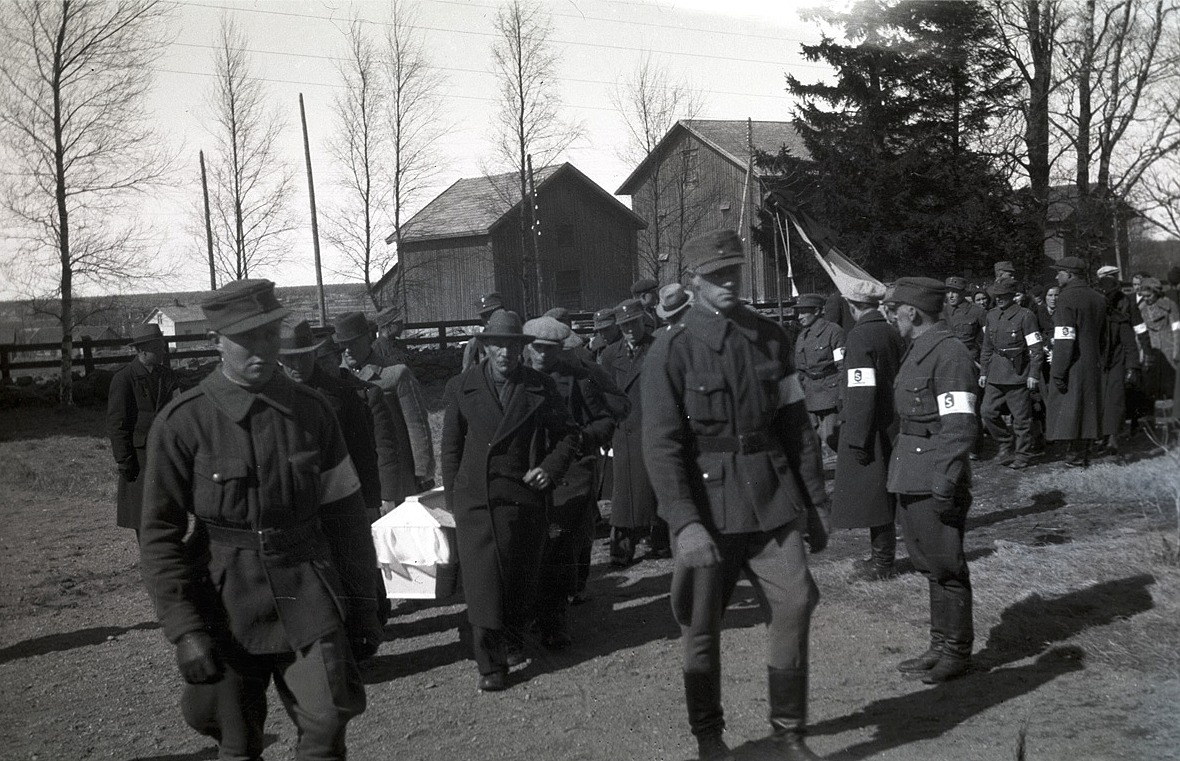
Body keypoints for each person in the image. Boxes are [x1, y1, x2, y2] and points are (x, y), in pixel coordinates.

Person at [139, 279, 381, 760]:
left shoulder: (312, 412)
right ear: (216, 342)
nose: (263, 349)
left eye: (269, 334)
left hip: (307, 589)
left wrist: (365, 604)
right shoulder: (183, 421)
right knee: (238, 739)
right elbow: (160, 536)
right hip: (226, 600)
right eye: (246, 338)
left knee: (329, 721)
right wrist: (185, 630)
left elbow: (347, 519)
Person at [643, 229, 830, 761]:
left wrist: (815, 504)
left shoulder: (770, 338)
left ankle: (789, 733)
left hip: (772, 497)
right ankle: (709, 737)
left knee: (795, 603)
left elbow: (796, 426)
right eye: (715, 274)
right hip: (709, 509)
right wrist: (685, 523)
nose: (727, 282)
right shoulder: (671, 349)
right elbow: (661, 445)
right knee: (700, 625)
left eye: (733, 272)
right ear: (694, 281)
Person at [440, 310, 578, 691]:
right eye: (497, 344)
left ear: (523, 348)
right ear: (484, 346)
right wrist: (454, 500)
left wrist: (549, 468)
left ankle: (513, 637)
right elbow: (450, 448)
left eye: (513, 345)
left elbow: (568, 435)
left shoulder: (540, 387)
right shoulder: (462, 385)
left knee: (518, 580)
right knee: (482, 585)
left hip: (523, 500)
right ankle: (491, 665)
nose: (505, 353)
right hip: (476, 501)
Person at [886, 277, 978, 685]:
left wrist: (946, 482)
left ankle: (956, 651)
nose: (891, 317)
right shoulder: (920, 349)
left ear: (912, 312)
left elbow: (959, 428)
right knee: (929, 565)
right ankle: (940, 644)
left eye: (894, 310)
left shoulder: (950, 354)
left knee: (947, 566)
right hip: (911, 470)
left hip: (935, 474)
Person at [523, 316, 618, 648]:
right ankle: (532, 611)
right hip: (529, 470)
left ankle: (554, 618)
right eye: (537, 348)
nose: (543, 356)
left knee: (561, 542)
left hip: (572, 472)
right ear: (526, 347)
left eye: (551, 350)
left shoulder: (579, 378)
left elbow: (607, 419)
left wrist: (580, 440)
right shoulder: (516, 379)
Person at [279, 318, 416, 512]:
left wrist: (372, 502)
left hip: (339, 500)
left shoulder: (345, 395)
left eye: (303, 357)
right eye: (289, 359)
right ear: (278, 359)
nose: (297, 366)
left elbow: (365, 453)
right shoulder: (271, 397)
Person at [831, 281, 905, 582]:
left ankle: (882, 562)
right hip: (892, 421)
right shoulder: (891, 331)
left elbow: (861, 392)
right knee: (886, 494)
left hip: (870, 426)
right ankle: (882, 558)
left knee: (875, 497)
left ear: (852, 306)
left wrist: (857, 437)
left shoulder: (859, 336)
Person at [334, 311, 435, 490]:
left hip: (396, 470)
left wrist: (422, 471)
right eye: (343, 345)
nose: (347, 350)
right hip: (356, 473)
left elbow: (416, 424)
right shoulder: (337, 378)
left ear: (368, 339)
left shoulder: (395, 374)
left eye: (353, 342)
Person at [601, 298, 668, 565]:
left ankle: (661, 543)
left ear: (644, 321)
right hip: (623, 432)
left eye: (633, 323)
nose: (629, 328)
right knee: (624, 494)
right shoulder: (609, 355)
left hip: (651, 429)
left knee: (656, 489)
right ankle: (622, 549)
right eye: (624, 325)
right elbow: (603, 393)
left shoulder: (658, 349)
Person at [107, 323, 178, 538]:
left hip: (166, 455)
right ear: (142, 350)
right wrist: (124, 461)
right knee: (143, 517)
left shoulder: (167, 376)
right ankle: (150, 564)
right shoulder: (124, 379)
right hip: (140, 459)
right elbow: (117, 424)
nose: (163, 350)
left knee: (168, 512)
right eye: (158, 347)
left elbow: (177, 410)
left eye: (162, 345)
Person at [1046, 257, 1107, 467]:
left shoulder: (1066, 298)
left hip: (1073, 362)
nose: (1056, 276)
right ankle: (1084, 454)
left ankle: (1074, 458)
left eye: (1059, 272)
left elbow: (1065, 339)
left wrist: (1058, 371)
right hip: (1093, 361)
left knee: (1071, 409)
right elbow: (1104, 336)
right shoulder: (1098, 298)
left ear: (1069, 274)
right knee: (1088, 409)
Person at [978, 279, 1045, 470]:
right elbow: (987, 347)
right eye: (996, 296)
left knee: (1022, 419)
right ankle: (1005, 444)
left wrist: (1033, 374)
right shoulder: (991, 315)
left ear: (1012, 296)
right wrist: (984, 371)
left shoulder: (1026, 315)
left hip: (1018, 373)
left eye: (1003, 296)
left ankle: (1022, 454)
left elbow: (1036, 348)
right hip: (995, 372)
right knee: (987, 412)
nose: (999, 299)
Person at [1095, 271, 1142, 457]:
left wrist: (1131, 368)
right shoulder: (1093, 320)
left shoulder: (1120, 319)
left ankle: (1113, 438)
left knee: (1114, 401)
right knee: (1101, 402)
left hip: (1116, 364)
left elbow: (1130, 345)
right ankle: (1103, 437)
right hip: (1098, 365)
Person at [794, 293, 846, 455]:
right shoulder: (803, 335)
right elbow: (800, 369)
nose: (800, 317)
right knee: (809, 442)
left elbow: (842, 366)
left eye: (804, 312)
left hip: (829, 393)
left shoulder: (834, 332)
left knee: (833, 438)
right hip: (809, 394)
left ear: (816, 311)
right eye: (798, 313)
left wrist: (842, 395)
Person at [942, 276, 987, 364]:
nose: (950, 296)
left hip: (968, 361)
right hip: (945, 360)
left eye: (954, 292)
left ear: (963, 292)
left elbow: (988, 341)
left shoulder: (977, 311)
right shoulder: (941, 311)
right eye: (948, 292)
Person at [462, 292, 506, 371]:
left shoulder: (518, 338)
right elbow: (467, 375)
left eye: (492, 314)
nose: (488, 320)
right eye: (484, 316)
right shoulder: (474, 344)